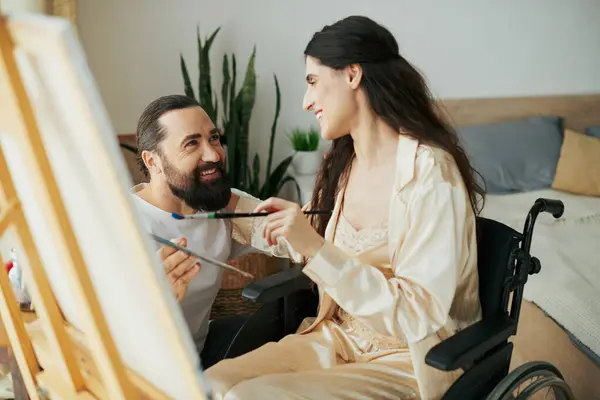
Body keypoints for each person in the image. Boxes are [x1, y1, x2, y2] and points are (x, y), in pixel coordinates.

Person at [203, 15, 486, 400]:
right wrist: (220, 198)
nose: (306, 101)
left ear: (352, 74)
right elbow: (307, 242)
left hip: (407, 359)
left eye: (313, 82)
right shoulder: (346, 164)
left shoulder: (430, 172)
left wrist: (315, 248)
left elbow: (418, 314)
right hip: (335, 339)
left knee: (248, 396)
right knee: (208, 385)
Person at [130, 94, 256, 369]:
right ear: (153, 162)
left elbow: (290, 231)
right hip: (141, 372)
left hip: (198, 358)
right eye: (191, 144)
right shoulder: (121, 225)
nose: (213, 154)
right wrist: (149, 303)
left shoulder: (222, 207)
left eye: (213, 138)